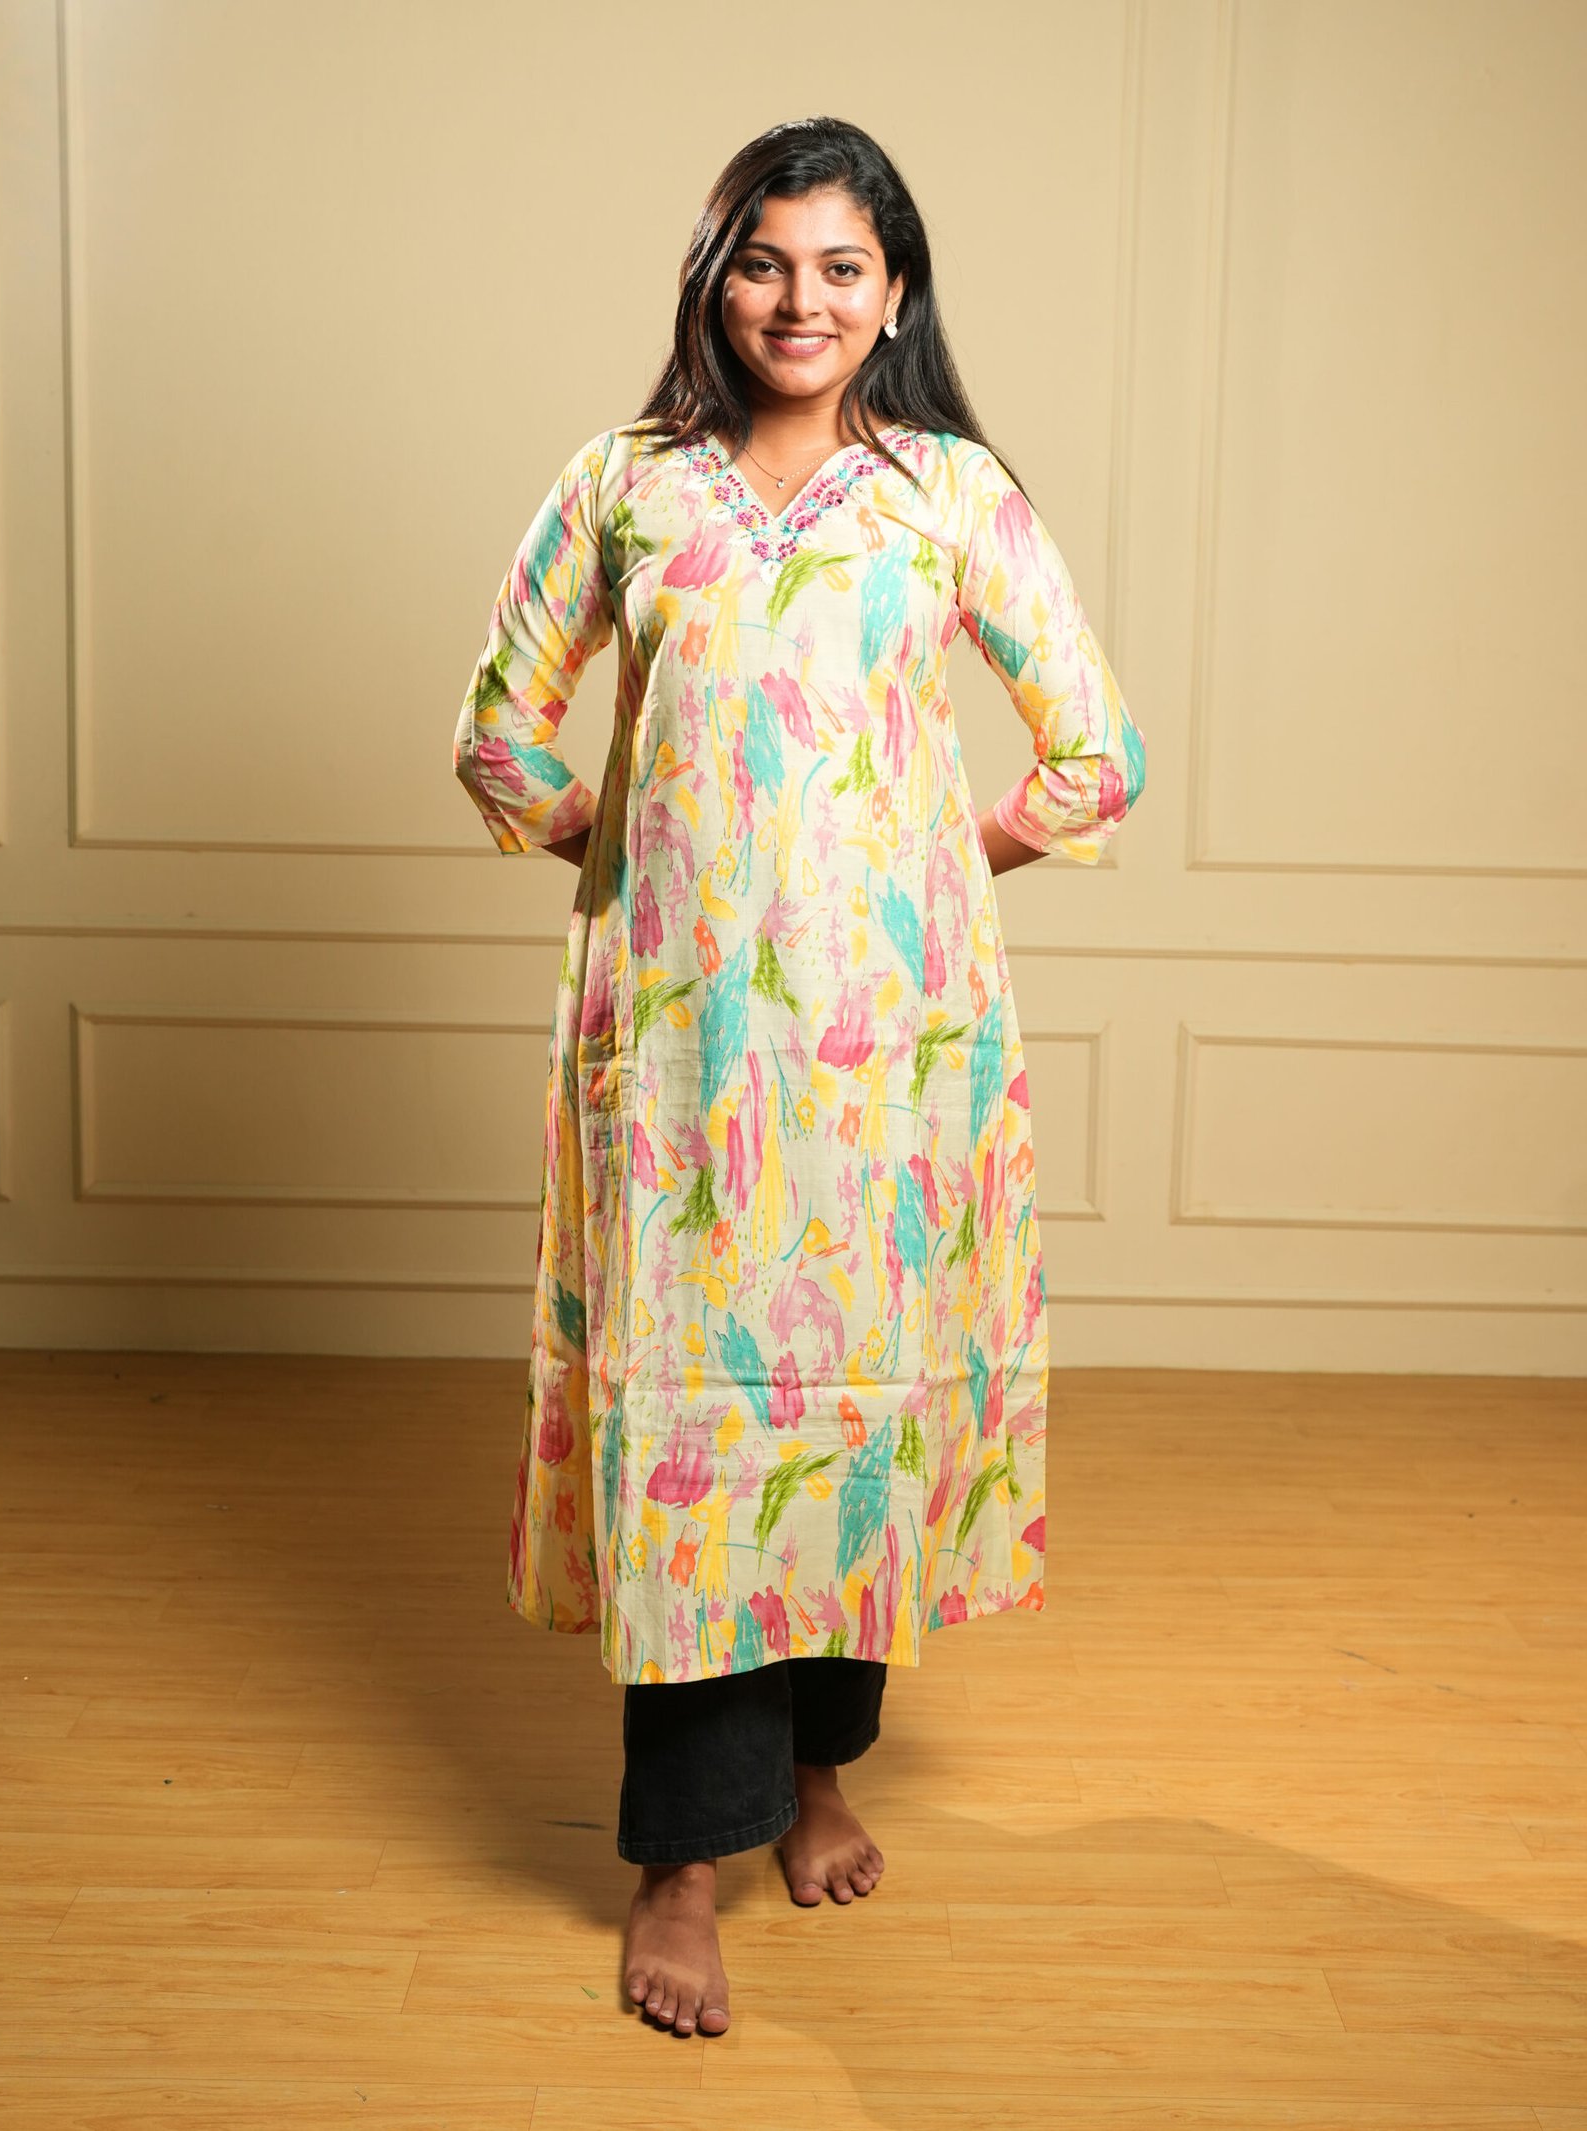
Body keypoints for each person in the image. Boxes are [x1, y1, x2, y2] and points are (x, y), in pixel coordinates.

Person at [452, 115, 1147, 2040]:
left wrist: (926, 865)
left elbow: (1096, 755)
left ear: (895, 294)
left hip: (889, 1058)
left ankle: (821, 1772)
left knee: (858, 1407)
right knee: (692, 1433)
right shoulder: (624, 485)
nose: (800, 300)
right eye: (765, 261)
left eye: (842, 267)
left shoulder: (948, 497)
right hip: (681, 1053)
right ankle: (683, 1863)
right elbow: (498, 733)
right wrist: (632, 852)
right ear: (715, 277)